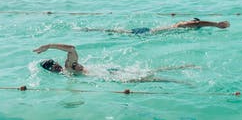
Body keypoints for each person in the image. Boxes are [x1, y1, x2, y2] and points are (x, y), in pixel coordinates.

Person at [34, 43, 197, 83]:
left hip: (112, 74)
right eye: (50, 66)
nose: (53, 66)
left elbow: (71, 48)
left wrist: (49, 46)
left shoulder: (69, 67)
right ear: (50, 70)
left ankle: (181, 78)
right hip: (109, 72)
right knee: (149, 73)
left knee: (147, 77)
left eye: (52, 63)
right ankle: (183, 70)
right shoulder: (67, 72)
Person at [81, 18, 230, 35]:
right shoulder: (182, 25)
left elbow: (198, 24)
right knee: (123, 33)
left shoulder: (181, 25)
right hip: (149, 32)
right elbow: (198, 23)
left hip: (150, 32)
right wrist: (216, 24)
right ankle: (93, 30)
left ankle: (94, 30)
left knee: (122, 32)